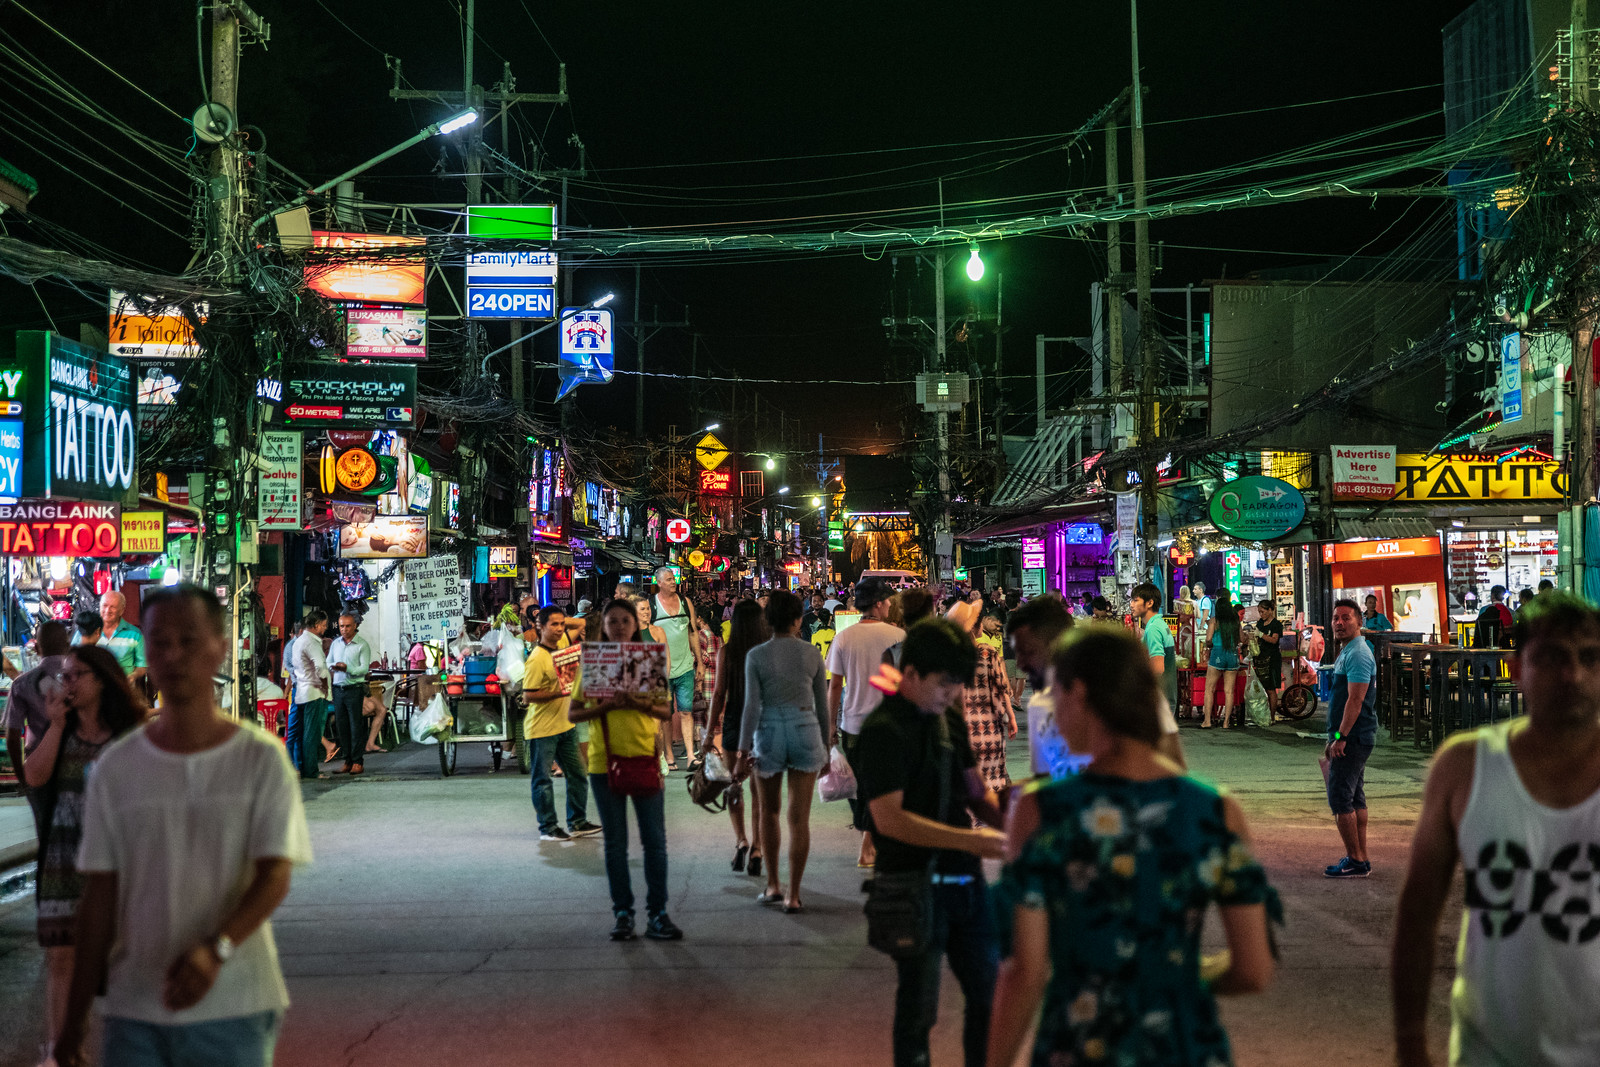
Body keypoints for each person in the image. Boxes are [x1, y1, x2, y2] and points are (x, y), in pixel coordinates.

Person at [987, 625, 1278, 1067]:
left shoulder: (1043, 811)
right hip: (1186, 1046)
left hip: (1081, 1043)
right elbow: (1253, 969)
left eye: (1053, 694)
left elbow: (1025, 971)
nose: (1049, 711)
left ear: (1079, 692)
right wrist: (1171, 973)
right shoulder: (1216, 811)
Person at [53, 584, 312, 1067]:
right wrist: (74, 1018)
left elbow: (274, 875)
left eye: (188, 640)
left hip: (236, 1003)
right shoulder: (117, 768)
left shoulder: (261, 760)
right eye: (159, 642)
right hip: (135, 1009)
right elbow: (99, 900)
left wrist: (216, 948)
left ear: (220, 646)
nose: (173, 655)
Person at [1392, 592, 1600, 1067]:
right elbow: (1417, 914)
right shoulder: (1466, 768)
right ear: (1516, 666)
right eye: (1551, 657)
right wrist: (1409, 1042)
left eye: (1590, 657)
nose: (1573, 675)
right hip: (1491, 1050)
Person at [857, 618, 1007, 1067]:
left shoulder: (948, 722)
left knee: (989, 992)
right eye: (944, 684)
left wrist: (1019, 828)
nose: (952, 694)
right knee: (919, 1009)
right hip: (912, 883)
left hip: (965, 882)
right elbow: (891, 820)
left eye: (958, 684)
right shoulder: (883, 731)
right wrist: (969, 841)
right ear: (913, 673)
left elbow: (978, 793)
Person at [26, 645, 148, 1056]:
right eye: (65, 676)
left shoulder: (129, 734)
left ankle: (124, 1046)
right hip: (64, 856)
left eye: (77, 675)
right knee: (61, 958)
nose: (68, 683)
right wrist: (56, 725)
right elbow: (35, 777)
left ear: (102, 681)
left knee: (116, 959)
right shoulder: (59, 728)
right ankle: (60, 1048)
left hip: (117, 861)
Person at [567, 599, 681, 942]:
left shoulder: (648, 660)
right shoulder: (594, 662)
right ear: (603, 626)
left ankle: (658, 913)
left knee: (655, 842)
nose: (618, 626)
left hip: (645, 757)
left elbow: (664, 711)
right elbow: (573, 713)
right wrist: (605, 705)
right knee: (615, 844)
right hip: (605, 763)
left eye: (624, 621)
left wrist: (636, 702)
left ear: (635, 625)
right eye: (611, 621)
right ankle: (623, 913)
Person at [735, 589, 830, 912]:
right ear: (797, 619)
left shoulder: (756, 656)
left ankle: (773, 884)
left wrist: (741, 751)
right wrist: (827, 747)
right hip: (806, 730)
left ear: (768, 619)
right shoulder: (811, 654)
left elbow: (751, 707)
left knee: (769, 812)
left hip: (769, 733)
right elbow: (823, 705)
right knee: (799, 819)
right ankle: (794, 894)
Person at [827, 577, 907, 868]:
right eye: (887, 601)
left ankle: (868, 837)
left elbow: (834, 686)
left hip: (853, 723)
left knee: (858, 786)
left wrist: (830, 728)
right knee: (885, 783)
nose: (889, 605)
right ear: (878, 603)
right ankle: (871, 841)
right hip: (890, 724)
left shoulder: (844, 638)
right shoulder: (898, 637)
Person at [523, 606, 600, 842]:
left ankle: (577, 822)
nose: (559, 629)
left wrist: (560, 619)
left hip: (566, 726)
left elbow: (582, 625)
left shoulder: (563, 644)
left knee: (578, 774)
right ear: (540, 627)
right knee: (542, 780)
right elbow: (528, 695)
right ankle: (548, 827)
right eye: (553, 625)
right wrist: (559, 692)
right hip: (542, 729)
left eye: (560, 624)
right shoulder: (537, 659)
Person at [705, 600, 770, 877]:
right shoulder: (766, 653)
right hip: (763, 724)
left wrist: (709, 734)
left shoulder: (726, 652)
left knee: (734, 784)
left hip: (733, 722)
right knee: (759, 793)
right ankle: (757, 846)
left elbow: (719, 694)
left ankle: (741, 840)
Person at [1324, 598, 1379, 878]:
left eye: (1346, 618)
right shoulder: (1351, 650)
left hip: (1354, 737)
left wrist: (1339, 736)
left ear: (1359, 621)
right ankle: (1361, 857)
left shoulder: (1358, 653)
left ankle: (1355, 860)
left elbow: (1355, 700)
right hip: (1355, 736)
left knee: (1340, 799)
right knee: (1356, 797)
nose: (1340, 623)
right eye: (1336, 618)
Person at [4, 620, 71, 842]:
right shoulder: (80, 680)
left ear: (37, 648)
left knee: (45, 833)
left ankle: (45, 872)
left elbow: (13, 736)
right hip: (76, 762)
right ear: (68, 645)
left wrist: (21, 776)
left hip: (38, 766)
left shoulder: (22, 684)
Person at [949, 601, 1017, 796]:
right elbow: (1002, 687)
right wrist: (1011, 716)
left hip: (960, 729)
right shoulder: (987, 652)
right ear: (975, 627)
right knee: (992, 781)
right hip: (989, 729)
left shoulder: (948, 656)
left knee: (966, 785)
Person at [652, 567, 704, 769]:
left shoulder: (685, 602)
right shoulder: (652, 605)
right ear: (659, 583)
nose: (672, 582)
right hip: (662, 670)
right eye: (668, 579)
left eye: (673, 578)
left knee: (686, 711)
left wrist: (699, 661)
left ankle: (691, 755)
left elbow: (693, 633)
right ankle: (669, 754)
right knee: (665, 715)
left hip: (685, 667)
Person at [70, 590, 147, 688]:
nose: (107, 610)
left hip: (123, 692)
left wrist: (133, 676)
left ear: (122, 610)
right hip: (93, 694)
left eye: (113, 607)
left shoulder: (135, 634)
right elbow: (72, 658)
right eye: (105, 606)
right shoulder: (84, 631)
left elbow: (142, 665)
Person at [327, 613, 372, 776]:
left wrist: (348, 669)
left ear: (355, 626)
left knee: (356, 725)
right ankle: (347, 760)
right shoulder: (335, 644)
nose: (344, 629)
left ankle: (358, 761)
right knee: (341, 726)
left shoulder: (362, 645)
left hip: (354, 689)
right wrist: (335, 666)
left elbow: (363, 669)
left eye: (347, 626)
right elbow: (328, 662)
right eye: (341, 626)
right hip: (338, 689)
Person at [288, 610, 332, 780]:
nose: (325, 628)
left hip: (301, 691)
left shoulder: (298, 641)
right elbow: (320, 666)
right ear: (316, 625)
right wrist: (325, 684)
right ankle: (311, 771)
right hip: (314, 692)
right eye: (323, 625)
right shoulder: (311, 642)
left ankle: (302, 768)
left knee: (301, 733)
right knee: (311, 734)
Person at [1201, 594, 1242, 730]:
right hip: (1232, 654)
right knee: (1229, 691)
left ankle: (1207, 721)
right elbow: (1242, 638)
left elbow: (1208, 639)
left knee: (1209, 689)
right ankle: (1226, 722)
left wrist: (1210, 644)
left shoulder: (1214, 621)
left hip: (1217, 654)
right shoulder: (1235, 621)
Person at [809, 608, 836, 675]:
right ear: (830, 618)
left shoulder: (814, 636)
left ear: (819, 620)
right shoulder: (836, 634)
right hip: (833, 672)